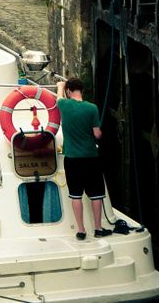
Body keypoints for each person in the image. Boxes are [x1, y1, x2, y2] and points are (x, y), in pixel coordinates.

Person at [56, 78, 111, 241]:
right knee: (96, 195)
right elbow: (97, 134)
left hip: (72, 158)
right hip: (90, 157)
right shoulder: (92, 108)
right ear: (82, 90)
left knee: (76, 195)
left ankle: (81, 230)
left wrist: (60, 86)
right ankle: (98, 228)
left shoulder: (64, 105)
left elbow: (58, 98)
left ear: (68, 91)